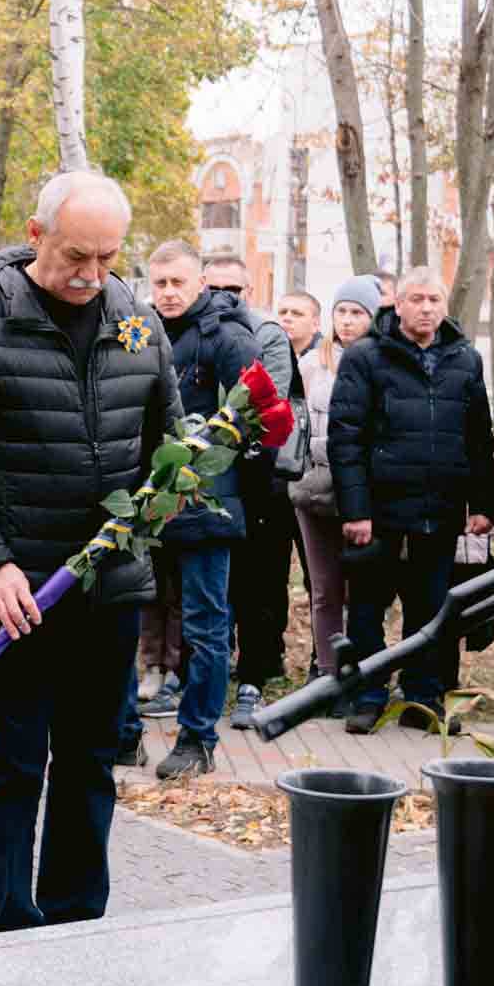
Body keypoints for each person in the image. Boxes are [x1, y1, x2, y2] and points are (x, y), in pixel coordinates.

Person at [0, 170, 182, 934]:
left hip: (109, 591)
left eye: (108, 257)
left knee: (91, 763)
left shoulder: (137, 319)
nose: (93, 275)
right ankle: (12, 920)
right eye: (75, 257)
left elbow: (168, 440)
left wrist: (168, 498)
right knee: (17, 764)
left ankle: (76, 919)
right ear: (35, 236)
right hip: (16, 594)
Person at [329, 266, 494, 734]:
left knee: (431, 608)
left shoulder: (465, 358)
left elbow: (478, 436)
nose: (426, 308)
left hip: (440, 508)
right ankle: (367, 696)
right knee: (368, 608)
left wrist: (484, 505)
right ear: (397, 304)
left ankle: (423, 700)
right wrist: (356, 510)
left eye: (434, 300)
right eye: (416, 299)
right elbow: (345, 437)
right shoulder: (365, 357)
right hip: (379, 512)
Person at [133, 241, 257, 778]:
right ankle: (122, 736)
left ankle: (198, 739)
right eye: (159, 283)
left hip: (207, 505)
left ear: (199, 281)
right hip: (144, 504)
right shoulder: (137, 333)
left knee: (206, 627)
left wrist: (203, 464)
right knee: (125, 616)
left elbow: (254, 415)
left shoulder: (228, 337)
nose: (167, 293)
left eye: (177, 282)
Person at [202, 253, 296, 729]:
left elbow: (266, 405)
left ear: (249, 292)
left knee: (259, 583)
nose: (223, 298)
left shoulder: (268, 334)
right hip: (207, 480)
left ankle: (254, 678)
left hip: (259, 477)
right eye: (214, 288)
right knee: (214, 588)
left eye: (232, 290)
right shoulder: (193, 330)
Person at [290, 276, 378, 683]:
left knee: (362, 590)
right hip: (315, 488)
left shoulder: (381, 362)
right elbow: (299, 426)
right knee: (323, 588)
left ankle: (360, 669)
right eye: (341, 311)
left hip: (364, 491)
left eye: (357, 312)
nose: (347, 320)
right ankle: (327, 672)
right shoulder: (311, 364)